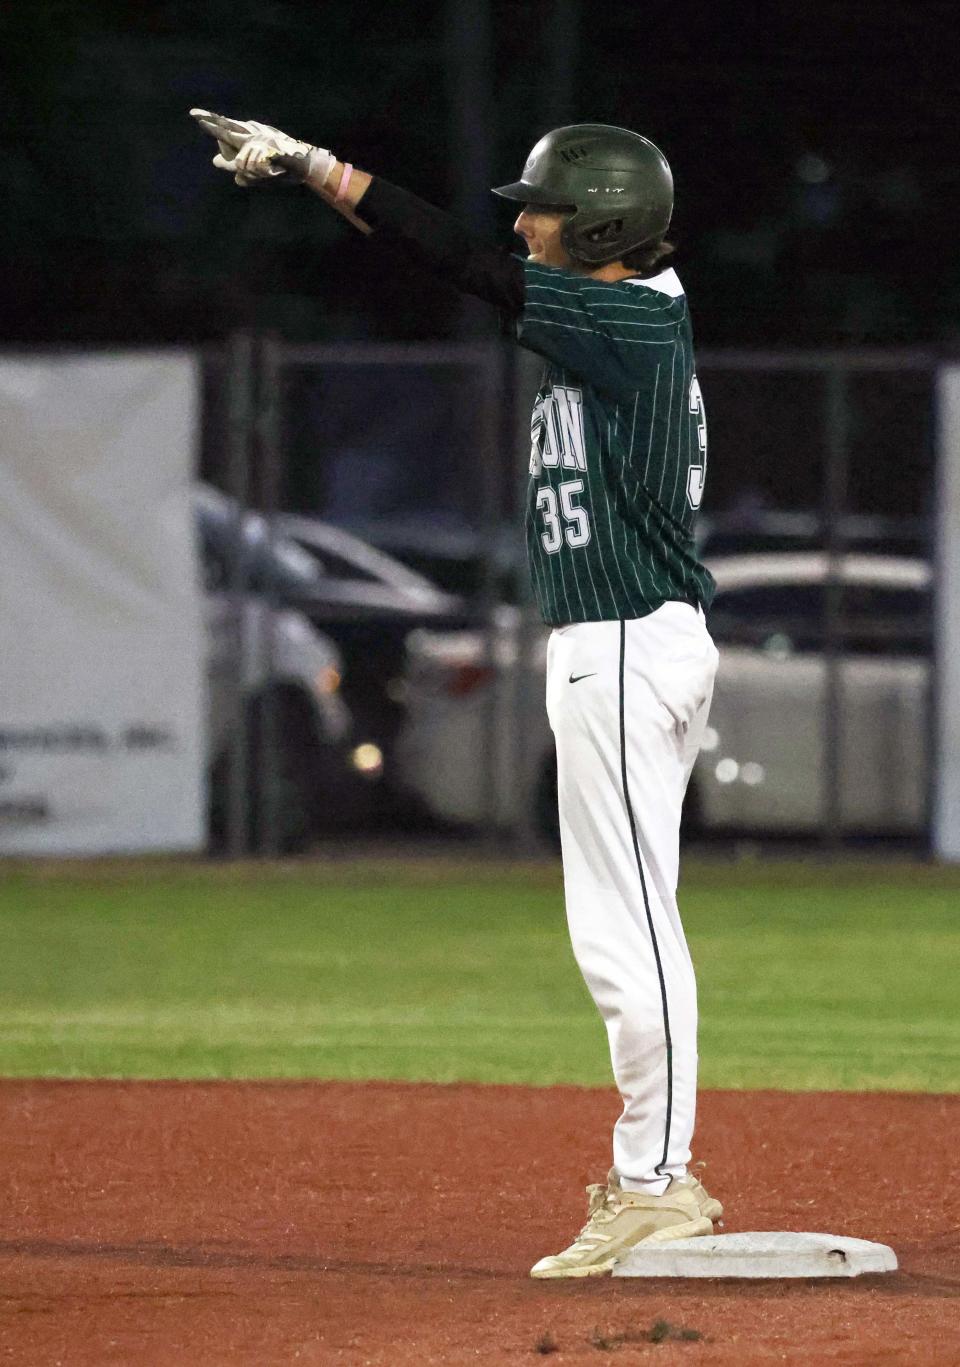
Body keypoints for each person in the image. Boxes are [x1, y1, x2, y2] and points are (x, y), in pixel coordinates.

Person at [191, 110, 723, 1278]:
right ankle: (657, 1173)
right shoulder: (629, 317)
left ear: (602, 226)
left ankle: (657, 1182)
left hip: (627, 642)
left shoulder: (629, 316)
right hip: (625, 640)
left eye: (541, 206)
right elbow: (478, 261)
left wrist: (319, 167)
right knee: (630, 919)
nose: (525, 223)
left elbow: (460, 262)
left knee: (624, 927)